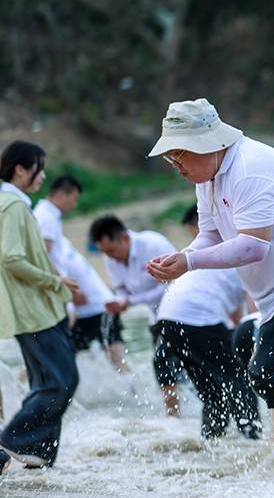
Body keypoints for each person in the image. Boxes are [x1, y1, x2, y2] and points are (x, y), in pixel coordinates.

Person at [145, 98, 274, 470]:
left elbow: (253, 246)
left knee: (269, 374)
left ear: (208, 143)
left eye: (179, 155)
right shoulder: (208, 177)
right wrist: (183, 256)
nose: (175, 165)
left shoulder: (250, 167)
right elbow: (209, 236)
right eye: (170, 157)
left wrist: (188, 262)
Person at [0, 141, 80, 469]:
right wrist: (54, 282)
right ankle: (11, 442)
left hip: (36, 309)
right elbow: (12, 258)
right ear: (21, 169)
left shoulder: (13, 203)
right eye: (38, 167)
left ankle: (38, 459)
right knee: (62, 380)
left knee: (47, 382)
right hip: (34, 310)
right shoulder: (13, 205)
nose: (42, 175)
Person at [154, 206, 261, 439]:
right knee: (238, 378)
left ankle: (211, 440)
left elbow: (234, 318)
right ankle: (254, 438)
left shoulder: (213, 252)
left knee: (211, 389)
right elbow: (251, 314)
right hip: (197, 316)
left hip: (168, 319)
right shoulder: (242, 255)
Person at [33, 175, 130, 372]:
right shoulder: (46, 216)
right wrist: (67, 290)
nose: (75, 204)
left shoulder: (49, 217)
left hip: (95, 305)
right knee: (59, 357)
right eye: (73, 198)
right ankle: (25, 388)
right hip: (88, 305)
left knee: (62, 358)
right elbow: (41, 254)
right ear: (61, 194)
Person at [89, 214, 182, 414]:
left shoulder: (153, 244)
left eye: (111, 250)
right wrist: (119, 300)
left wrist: (130, 301)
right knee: (170, 369)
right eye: (105, 252)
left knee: (163, 363)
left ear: (124, 238)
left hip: (181, 311)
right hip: (155, 317)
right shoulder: (110, 258)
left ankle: (174, 416)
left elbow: (176, 281)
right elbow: (121, 288)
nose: (110, 257)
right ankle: (180, 414)